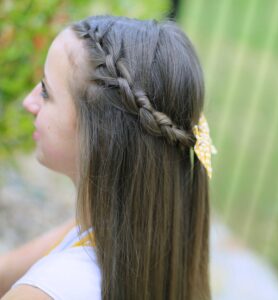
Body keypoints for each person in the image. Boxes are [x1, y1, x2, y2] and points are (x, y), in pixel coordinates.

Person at [0, 14, 217, 300]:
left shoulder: (47, 289)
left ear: (97, 132)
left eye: (45, 91)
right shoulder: (147, 233)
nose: (30, 102)